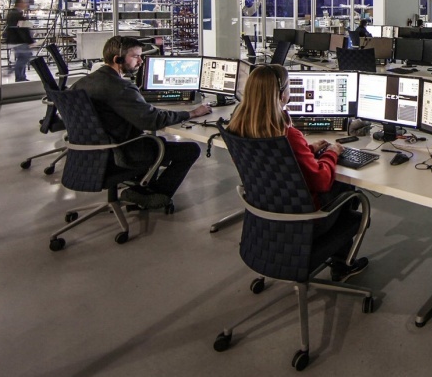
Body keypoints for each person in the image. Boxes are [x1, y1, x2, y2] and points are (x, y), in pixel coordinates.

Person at [227, 64, 368, 282]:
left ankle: (340, 259)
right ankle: (342, 263)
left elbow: (274, 162)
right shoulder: (287, 134)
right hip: (303, 219)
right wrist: (332, 152)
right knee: (346, 187)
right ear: (281, 94)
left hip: (265, 214)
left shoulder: (237, 128)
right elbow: (321, 181)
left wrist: (307, 150)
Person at [73, 36, 209, 209]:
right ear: (118, 59)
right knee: (190, 149)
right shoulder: (121, 88)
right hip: (121, 153)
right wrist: (191, 113)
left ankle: (142, 188)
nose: (140, 61)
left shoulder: (80, 84)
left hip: (89, 154)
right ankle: (154, 194)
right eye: (136, 56)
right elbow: (152, 121)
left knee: (157, 142)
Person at [4, 0, 33, 82]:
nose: (26, 4)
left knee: (22, 57)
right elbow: (22, 29)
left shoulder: (12, 13)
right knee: (24, 57)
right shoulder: (17, 14)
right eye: (24, 2)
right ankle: (18, 76)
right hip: (19, 40)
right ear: (19, 3)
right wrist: (29, 41)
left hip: (14, 40)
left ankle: (21, 76)